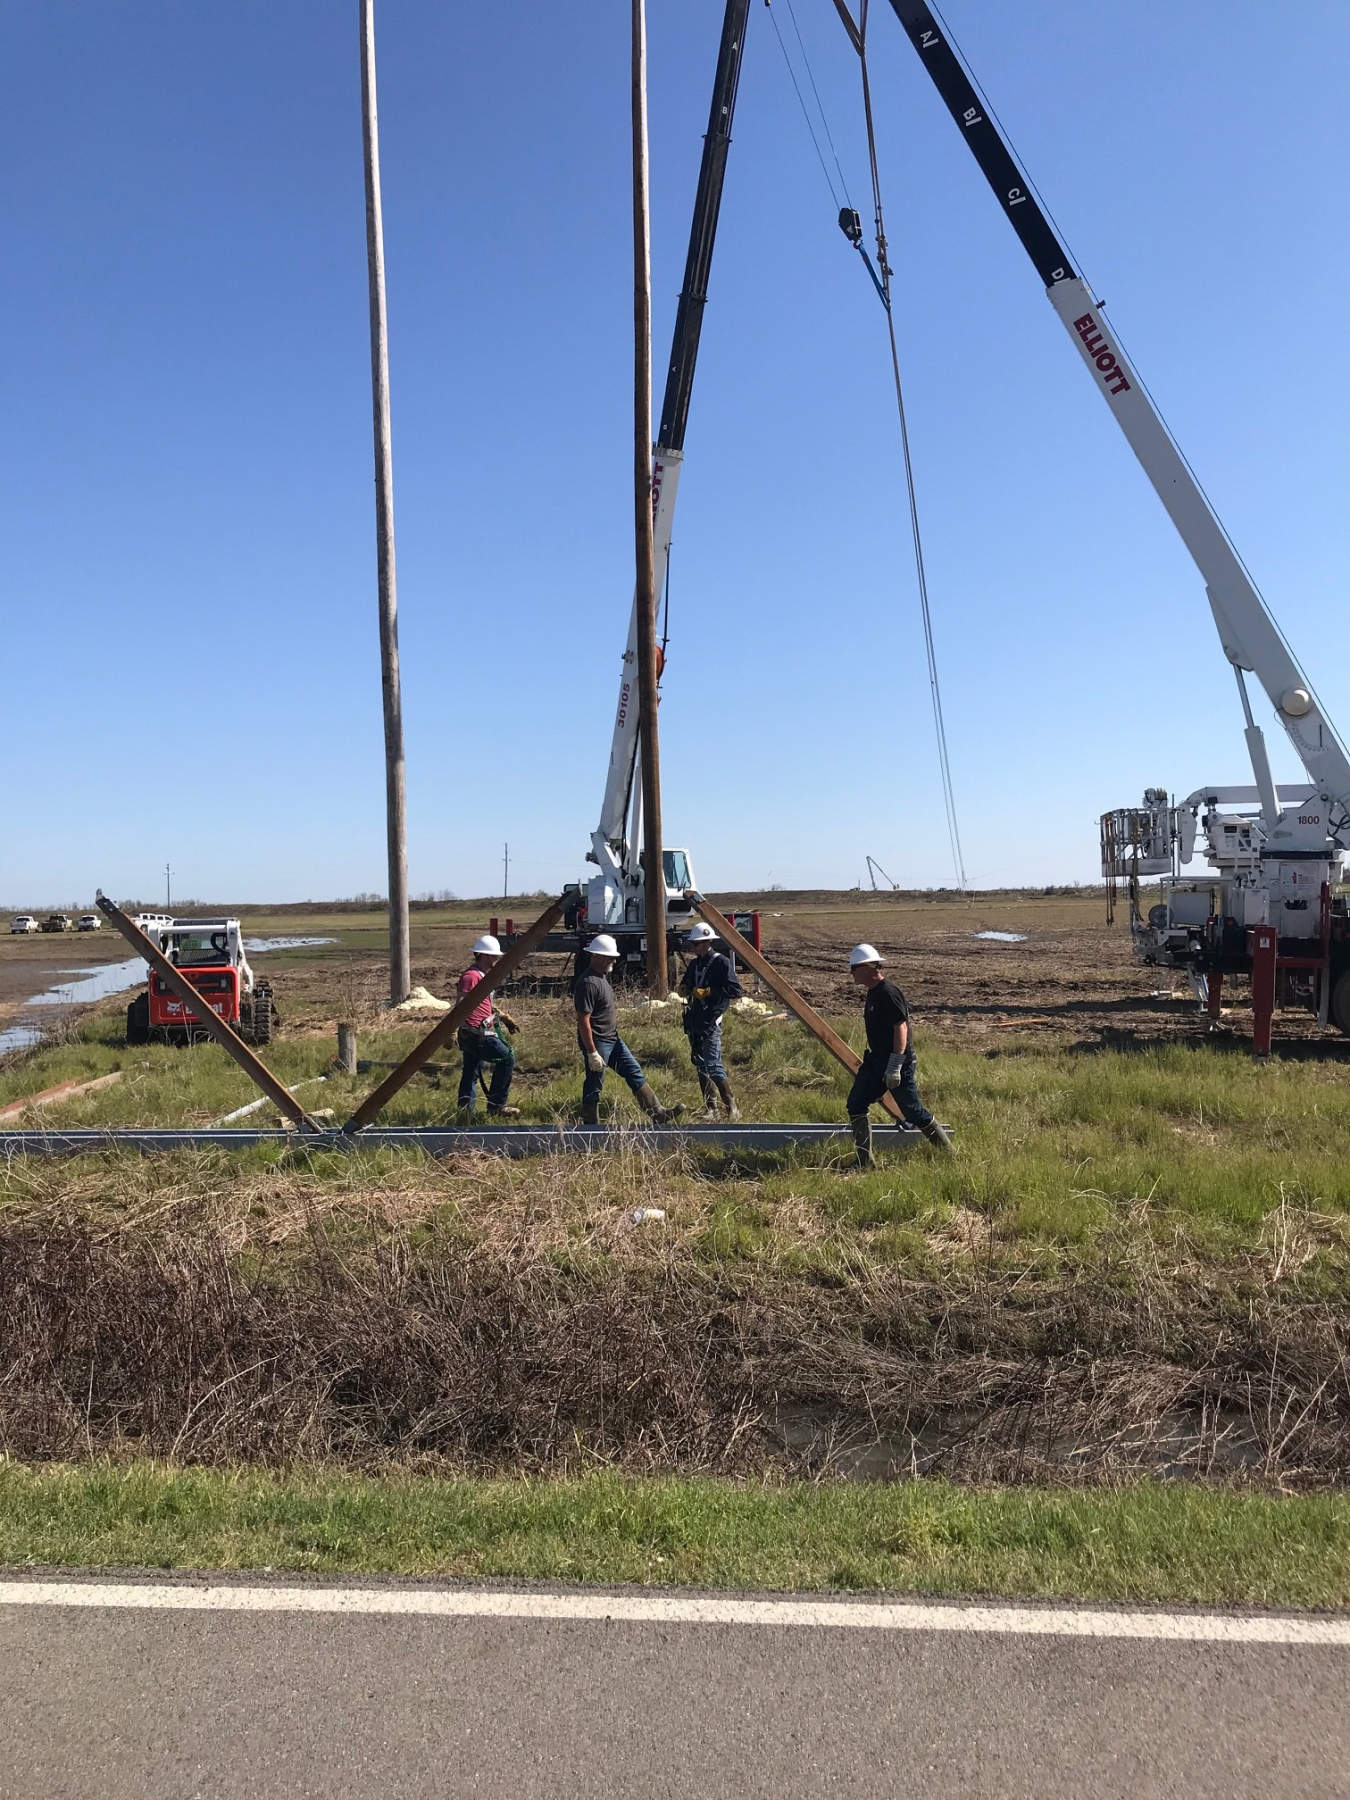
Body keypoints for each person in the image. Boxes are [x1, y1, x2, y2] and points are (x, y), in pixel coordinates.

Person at [845, 943, 951, 1166]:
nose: (851, 973)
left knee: (913, 1112)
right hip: (876, 1061)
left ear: (865, 968)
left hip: (895, 1062)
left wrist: (895, 1065)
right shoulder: (873, 993)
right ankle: (865, 1163)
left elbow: (900, 1028)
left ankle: (951, 1157)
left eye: (853, 968)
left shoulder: (888, 992)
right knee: (856, 1104)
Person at [575, 934, 684, 1126]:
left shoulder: (601, 978)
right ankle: (590, 1125)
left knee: (634, 1072)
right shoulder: (588, 983)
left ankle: (657, 1113)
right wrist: (592, 1052)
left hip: (613, 1040)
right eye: (610, 957)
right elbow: (583, 1020)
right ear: (597, 956)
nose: (614, 961)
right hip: (599, 1042)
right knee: (594, 1082)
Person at [679, 921, 743, 1118]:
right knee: (701, 1066)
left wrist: (709, 992)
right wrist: (684, 988)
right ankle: (711, 1109)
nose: (693, 947)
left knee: (713, 1065)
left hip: (711, 1020)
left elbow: (735, 990)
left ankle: (732, 1108)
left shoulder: (721, 963)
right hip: (694, 1020)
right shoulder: (695, 964)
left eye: (697, 944)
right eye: (693, 944)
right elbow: (686, 982)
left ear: (708, 942)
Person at [455, 934, 520, 1117]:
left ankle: (465, 1113)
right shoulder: (471, 976)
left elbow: (482, 1003)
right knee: (507, 1058)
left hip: (476, 1031)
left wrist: (503, 1017)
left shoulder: (482, 975)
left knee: (471, 1071)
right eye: (493, 956)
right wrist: (452, 1030)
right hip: (476, 1032)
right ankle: (497, 1106)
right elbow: (460, 1005)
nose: (496, 959)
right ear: (482, 955)